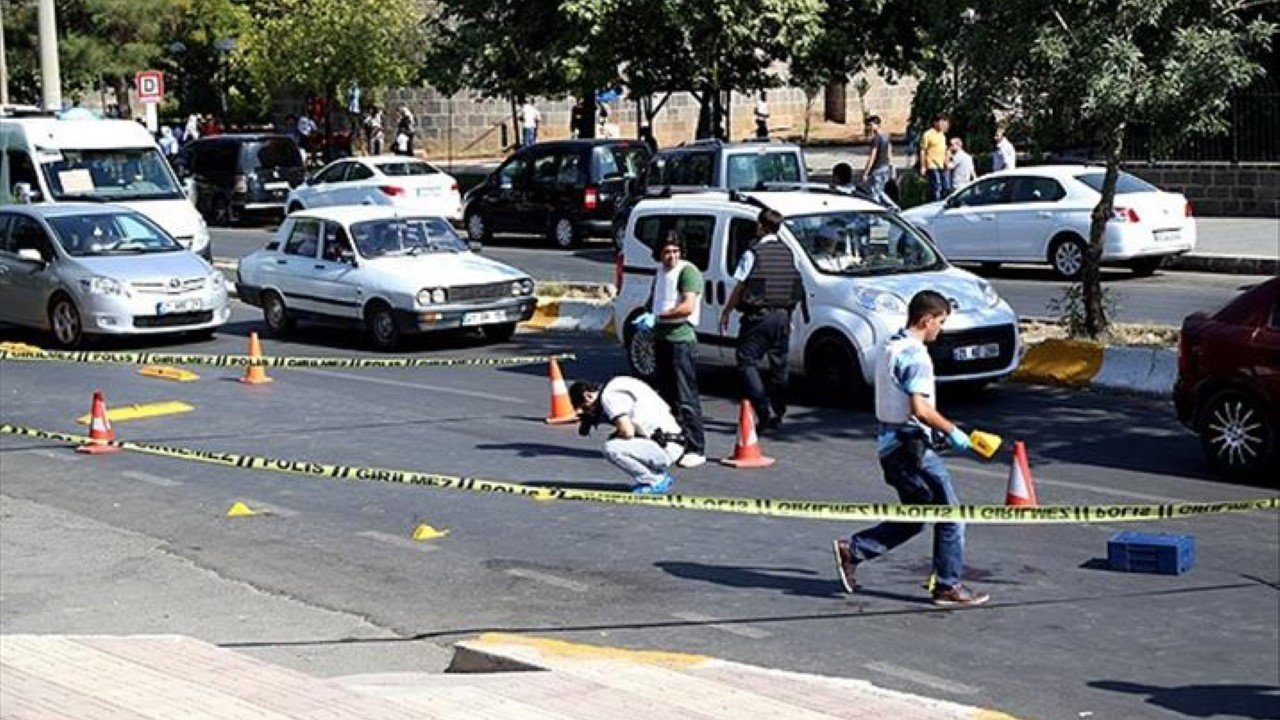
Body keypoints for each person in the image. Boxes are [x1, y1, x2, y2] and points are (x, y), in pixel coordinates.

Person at [832, 290, 991, 607]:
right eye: (941, 322)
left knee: (916, 515)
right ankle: (948, 585)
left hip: (891, 446)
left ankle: (855, 549)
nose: (940, 330)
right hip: (909, 447)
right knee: (952, 514)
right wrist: (957, 433)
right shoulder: (916, 355)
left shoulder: (892, 345)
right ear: (927, 318)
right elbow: (920, 407)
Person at [719, 208, 805, 432]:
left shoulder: (753, 253)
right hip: (783, 316)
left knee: (746, 359)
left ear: (761, 226)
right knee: (779, 365)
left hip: (758, 317)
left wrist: (727, 310)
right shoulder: (788, 253)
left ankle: (763, 410)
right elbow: (793, 285)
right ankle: (779, 411)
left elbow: (740, 285)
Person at [632, 231, 707, 468]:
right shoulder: (660, 273)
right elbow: (655, 300)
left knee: (686, 398)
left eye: (675, 251)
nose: (671, 256)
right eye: (667, 252)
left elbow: (686, 307)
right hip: (661, 339)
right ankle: (674, 442)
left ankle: (696, 447)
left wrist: (657, 317)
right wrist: (645, 315)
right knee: (665, 398)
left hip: (680, 340)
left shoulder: (688, 272)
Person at [570, 377, 684, 495]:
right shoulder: (615, 385)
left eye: (585, 407)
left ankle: (655, 481)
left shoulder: (609, 397)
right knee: (619, 441)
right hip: (672, 439)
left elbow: (627, 431)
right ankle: (655, 474)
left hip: (666, 446)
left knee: (611, 447)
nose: (589, 411)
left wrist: (615, 436)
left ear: (588, 396)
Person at [861, 115, 899, 210]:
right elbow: (889, 152)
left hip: (877, 169)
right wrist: (890, 166)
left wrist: (866, 172)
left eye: (870, 125)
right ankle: (893, 206)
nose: (869, 127)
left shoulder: (876, 139)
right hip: (885, 168)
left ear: (876, 124)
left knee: (874, 193)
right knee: (880, 191)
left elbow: (872, 156)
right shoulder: (886, 136)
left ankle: (877, 210)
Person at [918, 114, 950, 202]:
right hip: (932, 164)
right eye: (941, 122)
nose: (943, 124)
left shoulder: (942, 135)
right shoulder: (928, 134)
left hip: (942, 164)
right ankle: (936, 202)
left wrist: (946, 161)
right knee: (937, 186)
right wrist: (923, 166)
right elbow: (923, 150)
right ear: (935, 123)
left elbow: (944, 150)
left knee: (945, 186)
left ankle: (942, 201)